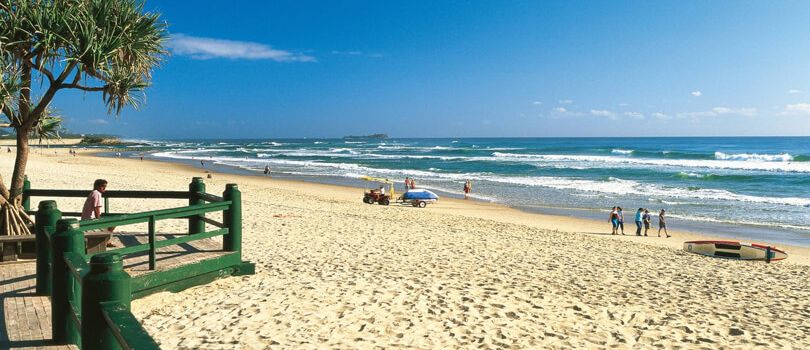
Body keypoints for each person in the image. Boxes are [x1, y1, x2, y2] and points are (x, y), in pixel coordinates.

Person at [82, 179, 116, 246]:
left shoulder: (93, 192)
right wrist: (99, 221)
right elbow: (96, 208)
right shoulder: (97, 193)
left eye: (105, 186)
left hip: (86, 220)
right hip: (90, 220)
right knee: (113, 224)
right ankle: (105, 242)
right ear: (97, 186)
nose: (104, 188)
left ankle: (105, 241)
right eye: (103, 186)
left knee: (110, 223)